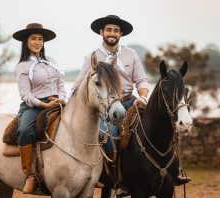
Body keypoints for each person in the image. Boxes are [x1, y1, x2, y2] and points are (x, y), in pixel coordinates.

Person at [71, 15, 190, 197]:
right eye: (109, 30)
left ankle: (173, 172)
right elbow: (79, 84)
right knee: (108, 135)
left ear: (121, 34)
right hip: (106, 108)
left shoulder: (131, 54)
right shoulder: (92, 57)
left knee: (163, 128)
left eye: (116, 30)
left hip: (130, 101)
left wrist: (142, 96)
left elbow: (141, 80)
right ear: (102, 32)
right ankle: (116, 181)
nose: (112, 33)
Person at [12, 23, 66, 194]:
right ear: (26, 41)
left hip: (57, 103)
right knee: (25, 131)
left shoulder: (52, 62)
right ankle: (29, 174)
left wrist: (62, 98)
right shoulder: (22, 66)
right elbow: (25, 95)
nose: (37, 42)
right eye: (33, 39)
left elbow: (61, 84)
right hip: (34, 106)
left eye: (40, 39)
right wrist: (43, 104)